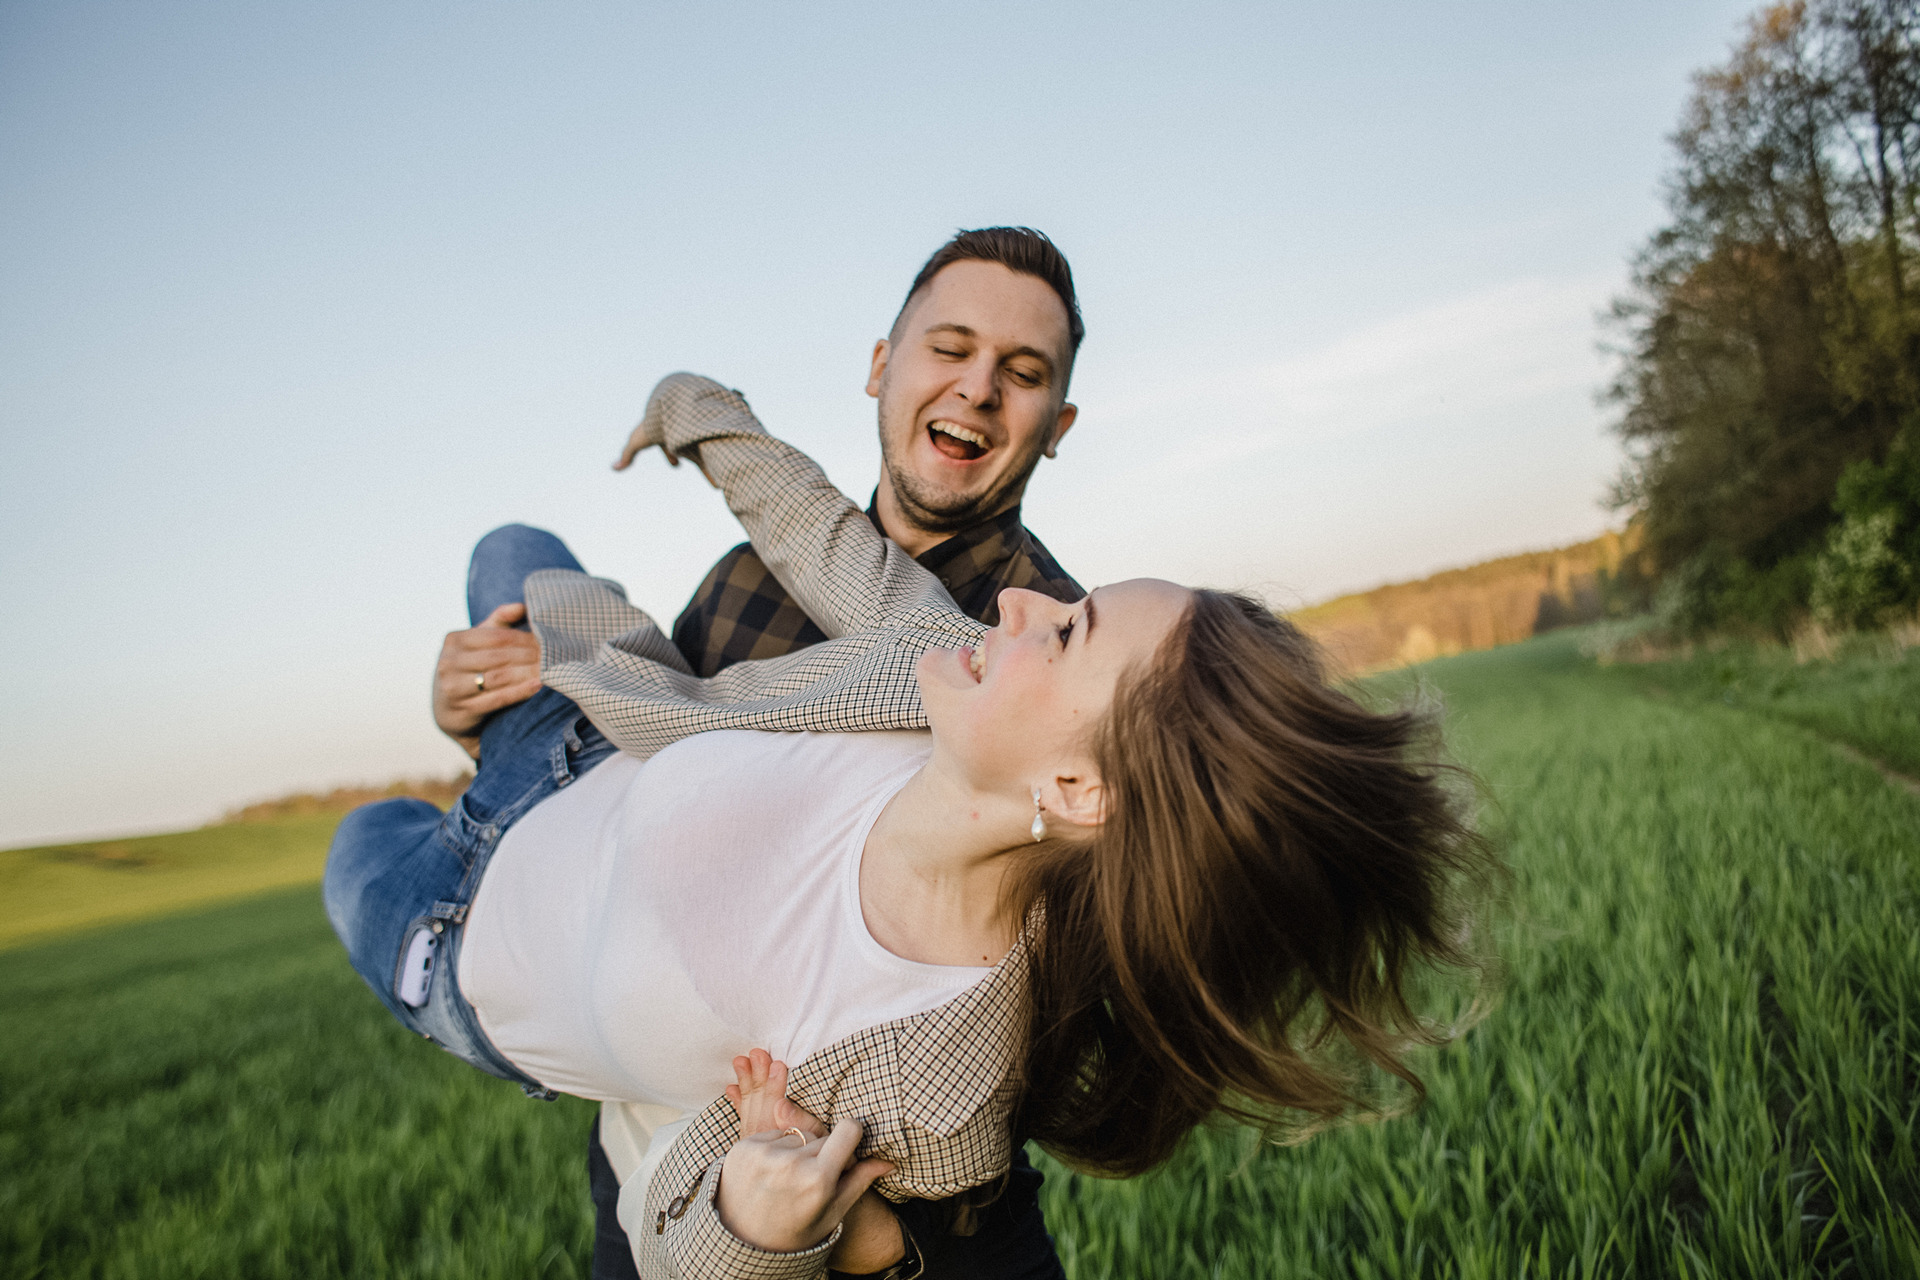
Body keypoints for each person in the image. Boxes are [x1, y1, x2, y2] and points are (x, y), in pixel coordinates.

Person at [327, 372, 1495, 1280]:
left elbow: (677, 1231)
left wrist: (757, 1223)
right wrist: (694, 407)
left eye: (1071, 633)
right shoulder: (925, 675)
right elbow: (813, 525)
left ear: (1084, 795)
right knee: (513, 552)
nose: (1026, 603)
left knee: (352, 846)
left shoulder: (924, 1067)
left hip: (464, 935)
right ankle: (483, 722)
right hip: (571, 749)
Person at [434, 227, 1091, 1279]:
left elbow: (1045, 1001)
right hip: (652, 1150)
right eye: (949, 349)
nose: (975, 390)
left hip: (901, 1217)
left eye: (1020, 374)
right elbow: (631, 786)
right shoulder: (747, 580)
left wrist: (873, 1237)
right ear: (883, 365)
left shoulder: (1040, 661)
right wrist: (490, 707)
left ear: (1055, 424)